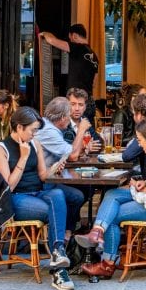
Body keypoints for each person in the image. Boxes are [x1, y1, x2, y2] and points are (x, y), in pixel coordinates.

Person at [74, 117, 146, 278]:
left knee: (111, 216)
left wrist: (143, 187)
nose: (139, 144)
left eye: (140, 140)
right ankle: (97, 232)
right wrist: (143, 183)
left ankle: (107, 263)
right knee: (112, 194)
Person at [0, 106, 75, 290]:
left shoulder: (35, 143)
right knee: (54, 210)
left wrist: (55, 168)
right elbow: (8, 187)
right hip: (14, 199)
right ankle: (59, 268)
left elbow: (43, 176)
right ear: (19, 127)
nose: (35, 134)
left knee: (58, 195)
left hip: (37, 192)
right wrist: (23, 157)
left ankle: (57, 253)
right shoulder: (0, 149)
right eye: (33, 130)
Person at [35, 97, 87, 237]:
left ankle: (66, 231)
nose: (70, 119)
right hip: (41, 183)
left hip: (48, 178)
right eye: (69, 116)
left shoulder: (48, 127)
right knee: (77, 196)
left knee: (83, 191)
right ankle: (65, 233)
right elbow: (73, 155)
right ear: (63, 118)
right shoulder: (49, 131)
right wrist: (81, 130)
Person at [39, 24, 98, 119]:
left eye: (70, 39)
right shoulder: (94, 55)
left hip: (77, 104)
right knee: (87, 131)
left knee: (74, 132)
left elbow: (52, 41)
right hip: (89, 102)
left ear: (74, 36)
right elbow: (94, 83)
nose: (70, 42)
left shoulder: (77, 48)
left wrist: (45, 33)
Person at [62, 87, 102, 158]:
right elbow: (67, 153)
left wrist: (87, 148)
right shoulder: (63, 123)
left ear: (85, 107)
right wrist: (85, 147)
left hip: (84, 166)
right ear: (67, 105)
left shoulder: (84, 120)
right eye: (73, 104)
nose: (77, 108)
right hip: (67, 167)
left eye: (80, 105)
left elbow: (99, 143)